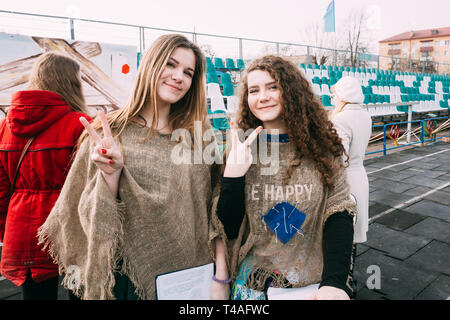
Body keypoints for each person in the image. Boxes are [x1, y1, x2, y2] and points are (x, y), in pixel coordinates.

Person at [37, 34, 229, 300]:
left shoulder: (199, 134)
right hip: (130, 280)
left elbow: (214, 210)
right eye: (170, 64)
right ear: (150, 65)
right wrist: (110, 175)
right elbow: (89, 219)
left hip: (192, 275)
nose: (178, 77)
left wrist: (221, 275)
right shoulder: (110, 131)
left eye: (188, 72)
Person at [210, 55, 358, 300]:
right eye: (254, 90)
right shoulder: (241, 147)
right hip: (253, 285)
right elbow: (228, 227)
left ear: (291, 91)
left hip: (311, 282)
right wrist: (233, 176)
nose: (262, 97)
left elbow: (338, 210)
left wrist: (335, 282)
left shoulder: (322, 147)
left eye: (273, 87)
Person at [0, 52, 91, 300]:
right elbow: (91, 188)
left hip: (24, 232)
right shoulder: (81, 124)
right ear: (72, 83)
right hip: (73, 231)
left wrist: (6, 231)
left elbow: (0, 192)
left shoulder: (5, 127)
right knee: (81, 294)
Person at [330, 76, 372, 245]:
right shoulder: (365, 115)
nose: (333, 99)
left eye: (335, 95)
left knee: (343, 229)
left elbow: (339, 157)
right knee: (354, 227)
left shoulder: (341, 119)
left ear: (343, 95)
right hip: (360, 175)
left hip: (345, 179)